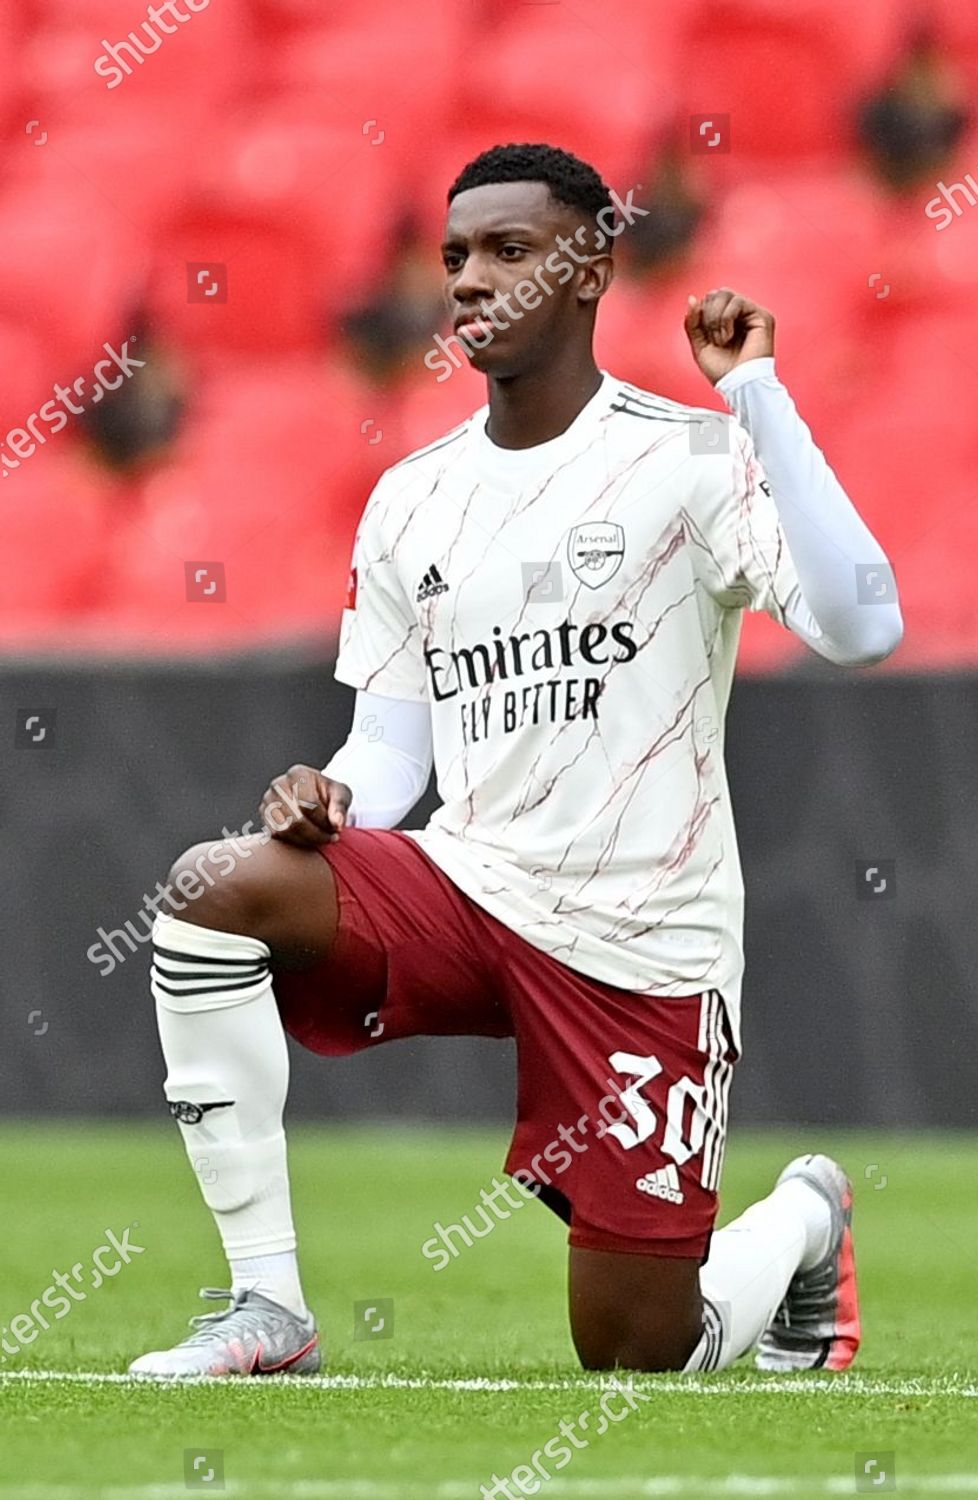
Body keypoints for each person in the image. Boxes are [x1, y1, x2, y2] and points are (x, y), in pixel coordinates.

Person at [130, 144, 902, 1378]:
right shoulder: (411, 500)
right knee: (213, 891)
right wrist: (324, 795)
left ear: (593, 267)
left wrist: (756, 394)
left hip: (646, 935)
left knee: (641, 1353)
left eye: (510, 250)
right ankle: (266, 1307)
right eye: (454, 258)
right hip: (475, 886)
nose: (470, 281)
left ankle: (806, 1218)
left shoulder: (684, 458)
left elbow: (865, 627)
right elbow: (385, 757)